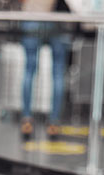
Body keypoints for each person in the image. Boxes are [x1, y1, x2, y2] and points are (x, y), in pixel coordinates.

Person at [19, 0, 74, 139]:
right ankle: (54, 123)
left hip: (31, 16)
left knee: (29, 70)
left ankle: (27, 120)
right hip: (55, 18)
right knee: (58, 72)